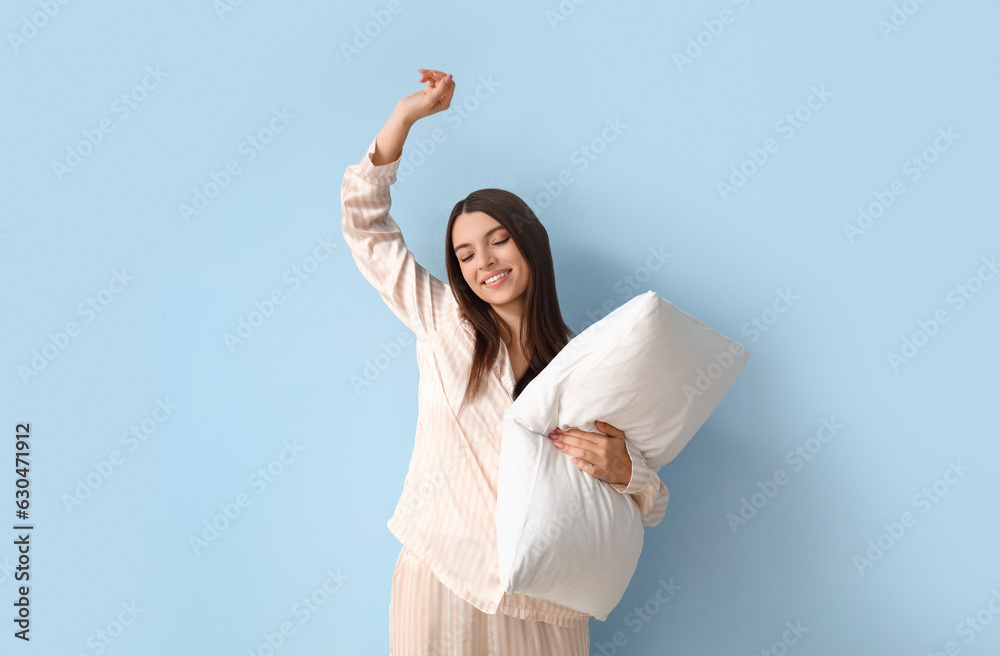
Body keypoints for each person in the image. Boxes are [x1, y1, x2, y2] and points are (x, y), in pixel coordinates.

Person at [340, 68, 669, 656]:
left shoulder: (582, 361)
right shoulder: (444, 322)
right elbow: (365, 224)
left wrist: (628, 472)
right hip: (444, 576)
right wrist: (404, 116)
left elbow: (648, 500)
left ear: (528, 241)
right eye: (464, 254)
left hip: (547, 602)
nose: (483, 261)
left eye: (497, 240)